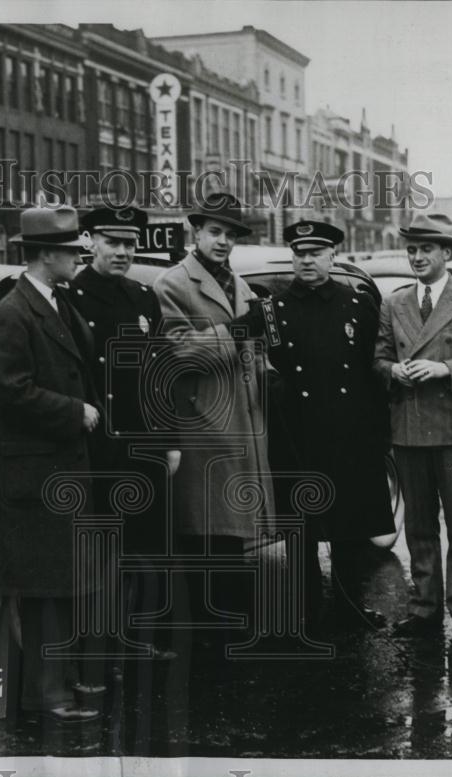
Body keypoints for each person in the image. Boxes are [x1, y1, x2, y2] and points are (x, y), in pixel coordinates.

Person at [229, 219, 393, 634]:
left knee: (349, 529)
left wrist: (378, 431)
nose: (307, 260)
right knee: (300, 529)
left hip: (350, 432)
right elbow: (243, 350)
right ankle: (304, 612)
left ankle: (350, 607)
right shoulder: (272, 308)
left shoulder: (357, 304)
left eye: (316, 253)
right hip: (297, 435)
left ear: (332, 256)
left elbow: (376, 365)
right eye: (300, 253)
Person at [0, 205, 103, 724]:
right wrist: (76, 413)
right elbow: (12, 393)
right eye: (74, 252)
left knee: (60, 583)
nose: (81, 258)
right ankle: (46, 696)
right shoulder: (13, 312)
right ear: (48, 255)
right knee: (44, 591)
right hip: (35, 475)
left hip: (53, 471)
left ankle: (58, 683)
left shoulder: (49, 302)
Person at [153, 192, 275, 648]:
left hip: (241, 424)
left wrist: (266, 371)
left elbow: (254, 351)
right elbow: (179, 352)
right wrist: (240, 330)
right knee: (207, 533)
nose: (223, 241)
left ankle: (228, 627)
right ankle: (211, 633)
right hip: (204, 424)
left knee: (229, 536)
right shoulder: (173, 284)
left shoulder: (238, 284)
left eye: (230, 235)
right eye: (215, 232)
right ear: (196, 233)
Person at [374, 212, 452, 644]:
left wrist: (444, 368)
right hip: (409, 429)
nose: (416, 256)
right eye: (411, 249)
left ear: (447, 252)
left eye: (426, 248)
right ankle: (425, 608)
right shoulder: (393, 303)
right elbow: (377, 359)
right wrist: (395, 371)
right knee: (419, 527)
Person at [69, 205, 180, 661]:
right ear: (89, 241)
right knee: (100, 548)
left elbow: (159, 373)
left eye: (130, 244)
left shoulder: (143, 297)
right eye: (112, 242)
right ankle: (98, 646)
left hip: (145, 443)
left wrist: (171, 439)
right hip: (97, 445)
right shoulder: (70, 296)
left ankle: (142, 641)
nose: (121, 252)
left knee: (148, 547)